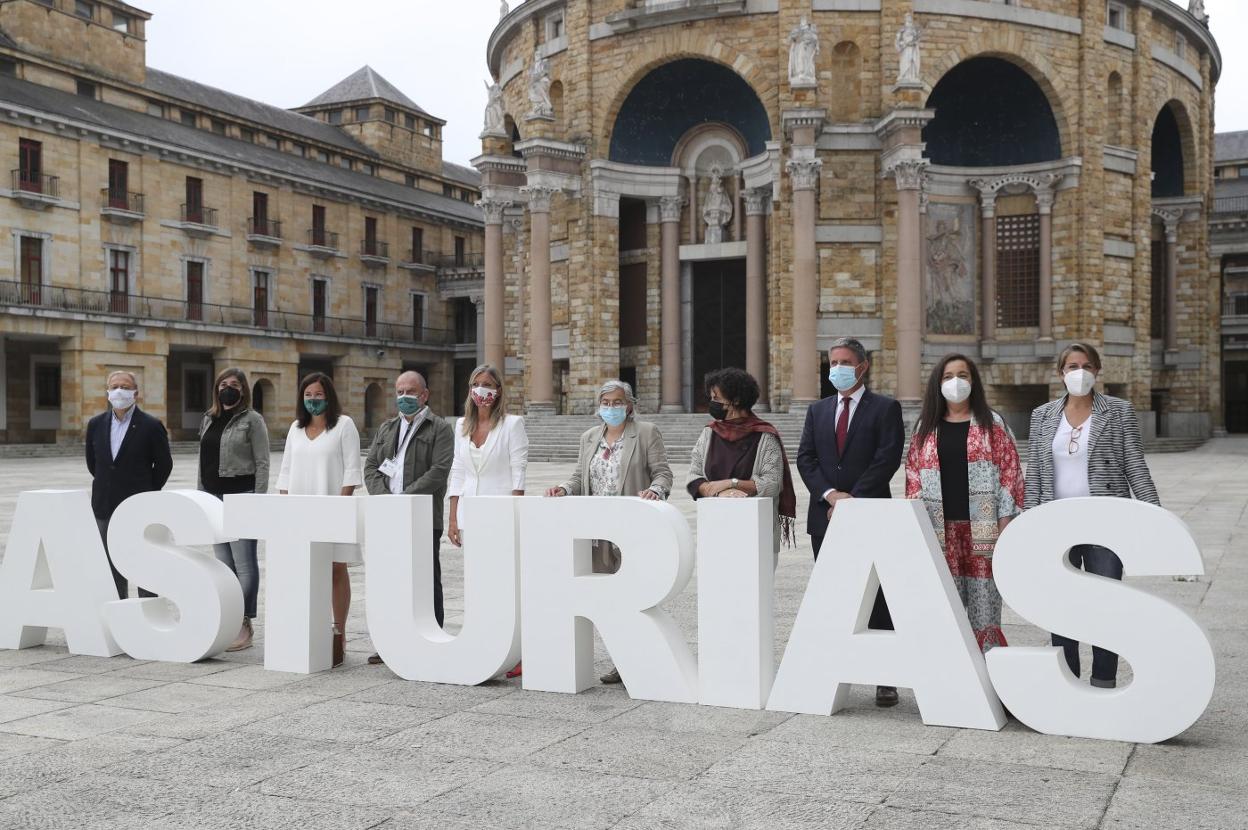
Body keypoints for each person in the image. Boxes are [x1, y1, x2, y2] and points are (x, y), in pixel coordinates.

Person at [1024, 342, 1159, 689]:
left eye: (1085, 365)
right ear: (1061, 373)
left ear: (1097, 370)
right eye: (1071, 366)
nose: (1078, 372)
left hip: (1104, 523)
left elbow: (1135, 466)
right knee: (1061, 606)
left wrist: (1157, 520)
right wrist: (1029, 524)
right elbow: (1035, 475)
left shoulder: (1118, 411)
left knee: (1105, 605)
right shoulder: (1042, 416)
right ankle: (1066, 680)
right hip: (1055, 525)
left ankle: (1103, 679)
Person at [796, 337, 904, 707]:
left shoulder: (886, 408)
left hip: (870, 511)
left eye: (844, 361)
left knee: (877, 596)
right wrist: (830, 495)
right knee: (832, 594)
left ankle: (885, 677)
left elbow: (887, 458)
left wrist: (853, 499)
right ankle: (829, 668)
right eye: (832, 362)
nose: (836, 368)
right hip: (824, 516)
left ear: (862, 366)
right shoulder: (817, 410)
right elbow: (806, 459)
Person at [546, 379, 674, 684]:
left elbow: (663, 473)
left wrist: (656, 490)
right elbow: (579, 476)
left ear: (629, 405)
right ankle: (623, 658)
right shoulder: (589, 437)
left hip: (631, 530)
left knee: (635, 596)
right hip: (597, 534)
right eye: (606, 402)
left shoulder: (645, 433)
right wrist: (563, 489)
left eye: (617, 402)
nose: (611, 408)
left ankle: (642, 658)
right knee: (607, 599)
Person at [904, 354, 1024, 651]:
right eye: (947, 376)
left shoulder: (992, 423)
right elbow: (913, 475)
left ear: (973, 381)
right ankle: (955, 679)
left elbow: (1011, 472)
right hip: (940, 531)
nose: (955, 382)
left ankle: (989, 675)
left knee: (985, 609)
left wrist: (1005, 522)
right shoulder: (925, 427)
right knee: (947, 608)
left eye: (963, 375)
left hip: (984, 529)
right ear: (937, 383)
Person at [363, 371, 455, 665]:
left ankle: (434, 635)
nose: (404, 397)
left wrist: (405, 499)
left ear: (424, 395)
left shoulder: (439, 428)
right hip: (389, 515)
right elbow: (371, 466)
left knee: (426, 576)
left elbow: (439, 471)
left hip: (422, 516)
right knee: (392, 578)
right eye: (400, 391)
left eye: (410, 391)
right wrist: (385, 500)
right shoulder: (387, 427)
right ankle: (390, 641)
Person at [275, 372, 362, 668]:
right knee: (307, 569)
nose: (313, 400)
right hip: (301, 511)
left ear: (329, 396)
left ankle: (340, 631)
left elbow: (352, 470)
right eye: (308, 395)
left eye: (318, 394)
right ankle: (311, 627)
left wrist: (340, 506)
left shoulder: (344, 426)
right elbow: (285, 471)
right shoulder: (295, 429)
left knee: (336, 568)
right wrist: (284, 509)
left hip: (333, 508)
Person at [447, 363, 528, 677]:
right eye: (478, 384)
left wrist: (516, 511)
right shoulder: (462, 426)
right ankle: (485, 643)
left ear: (499, 391)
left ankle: (518, 650)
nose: (483, 391)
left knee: (506, 583)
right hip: (471, 514)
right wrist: (453, 517)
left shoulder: (512, 425)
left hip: (502, 513)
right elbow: (457, 472)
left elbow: (518, 470)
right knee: (479, 582)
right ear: (470, 390)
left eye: (489, 385)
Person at [687, 367, 796, 561]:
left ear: (736, 399)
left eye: (716, 398)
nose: (712, 402)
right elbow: (694, 477)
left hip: (755, 530)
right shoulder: (709, 433)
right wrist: (720, 492)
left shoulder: (764, 435)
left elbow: (772, 484)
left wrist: (732, 483)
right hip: (716, 526)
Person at [197, 368, 269, 652]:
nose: (228, 388)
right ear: (217, 388)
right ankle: (227, 617)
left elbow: (262, 462)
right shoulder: (208, 418)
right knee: (223, 563)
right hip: (213, 497)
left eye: (235, 385)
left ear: (243, 390)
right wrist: (200, 497)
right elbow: (202, 461)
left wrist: (258, 501)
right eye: (224, 384)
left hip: (242, 495)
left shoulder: (252, 420)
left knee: (245, 564)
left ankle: (244, 621)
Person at [86, 370, 173, 599]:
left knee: (143, 560)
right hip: (104, 506)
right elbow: (93, 464)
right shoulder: (95, 424)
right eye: (114, 386)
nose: (119, 391)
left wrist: (146, 491)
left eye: (125, 386)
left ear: (136, 393)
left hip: (138, 506)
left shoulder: (151, 425)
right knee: (109, 563)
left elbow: (164, 465)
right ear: (107, 391)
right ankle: (117, 612)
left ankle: (148, 612)